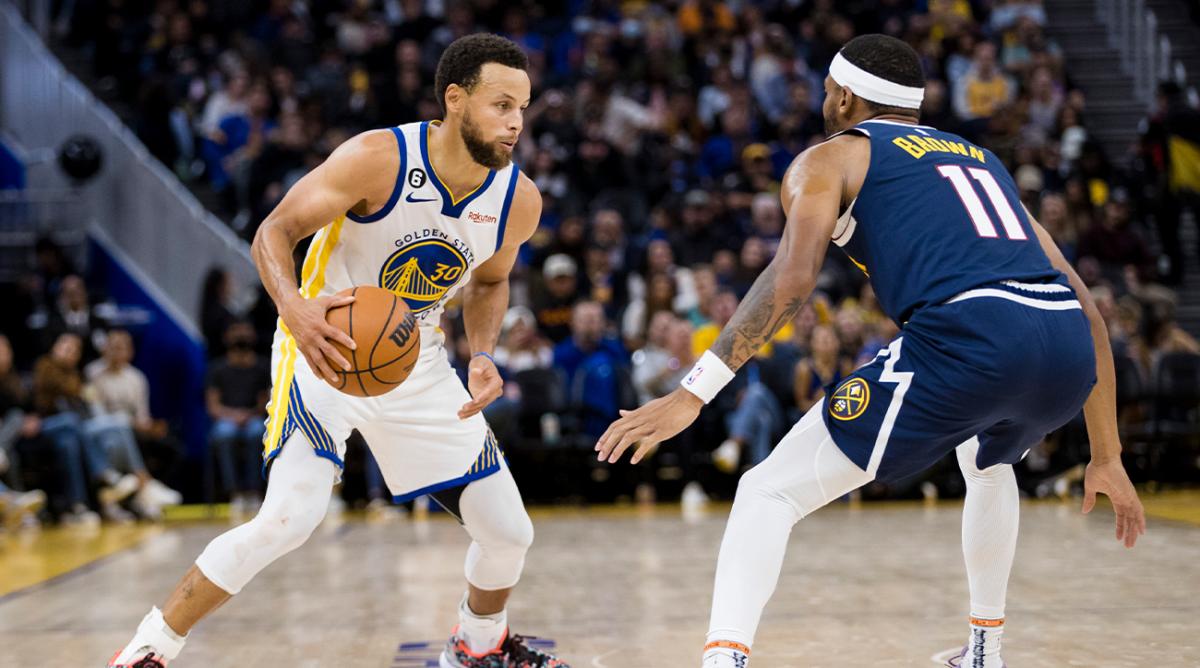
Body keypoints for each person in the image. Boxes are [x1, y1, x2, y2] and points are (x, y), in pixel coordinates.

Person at [597, 35, 1145, 668]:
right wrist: (1106, 454)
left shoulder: (829, 159)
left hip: (972, 335)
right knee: (988, 463)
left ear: (844, 97)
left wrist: (693, 393)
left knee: (767, 493)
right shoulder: (979, 159)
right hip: (1061, 345)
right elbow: (1088, 310)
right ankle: (984, 651)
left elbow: (792, 279)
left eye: (828, 92)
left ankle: (724, 660)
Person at [109, 34, 567, 668]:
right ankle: (147, 650)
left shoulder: (517, 200)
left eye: (522, 106)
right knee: (288, 520)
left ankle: (476, 647)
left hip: (415, 359)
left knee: (510, 533)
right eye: (500, 104)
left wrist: (482, 354)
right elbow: (276, 231)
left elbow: (489, 281)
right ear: (456, 99)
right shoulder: (378, 157)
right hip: (326, 348)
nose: (516, 121)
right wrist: (296, 313)